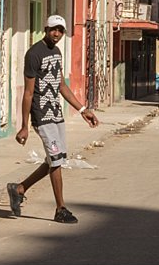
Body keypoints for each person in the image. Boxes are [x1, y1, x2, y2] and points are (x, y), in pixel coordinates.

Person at [7, 15, 99, 224]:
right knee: (56, 161)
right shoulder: (33, 54)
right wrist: (24, 126)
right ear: (45, 29)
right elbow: (28, 93)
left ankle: (19, 188)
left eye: (60, 30)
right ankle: (61, 209)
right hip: (41, 115)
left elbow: (62, 86)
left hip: (56, 113)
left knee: (55, 159)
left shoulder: (57, 52)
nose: (56, 34)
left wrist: (83, 109)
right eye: (53, 30)